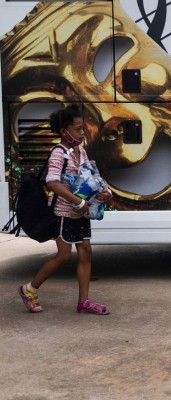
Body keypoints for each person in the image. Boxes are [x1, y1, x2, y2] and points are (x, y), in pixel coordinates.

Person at [18, 105, 113, 315]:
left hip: (82, 213)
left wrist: (106, 192)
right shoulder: (58, 153)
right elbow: (52, 182)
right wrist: (77, 202)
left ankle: (84, 302)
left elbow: (92, 177)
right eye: (78, 129)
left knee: (86, 252)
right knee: (63, 256)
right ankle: (29, 289)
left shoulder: (82, 151)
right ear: (64, 131)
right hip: (63, 213)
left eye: (82, 128)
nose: (82, 133)